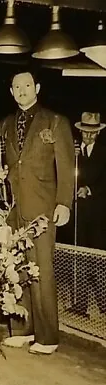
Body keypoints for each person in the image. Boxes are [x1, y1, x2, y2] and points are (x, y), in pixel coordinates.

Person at [0, 70, 75, 355]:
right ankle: (23, 330)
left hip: (42, 208)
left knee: (42, 270)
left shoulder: (55, 121)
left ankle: (48, 336)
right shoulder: (3, 124)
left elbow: (66, 166)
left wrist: (64, 202)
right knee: (15, 269)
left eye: (27, 85)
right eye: (17, 86)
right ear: (11, 92)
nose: (22, 90)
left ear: (37, 87)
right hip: (12, 209)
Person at [67, 112, 106, 317]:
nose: (88, 137)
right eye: (85, 133)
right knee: (78, 258)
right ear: (80, 131)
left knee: (98, 261)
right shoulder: (73, 153)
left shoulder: (104, 153)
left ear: (98, 134)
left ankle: (104, 305)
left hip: (98, 216)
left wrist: (89, 189)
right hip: (78, 215)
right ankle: (80, 306)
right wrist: (72, 159)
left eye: (92, 134)